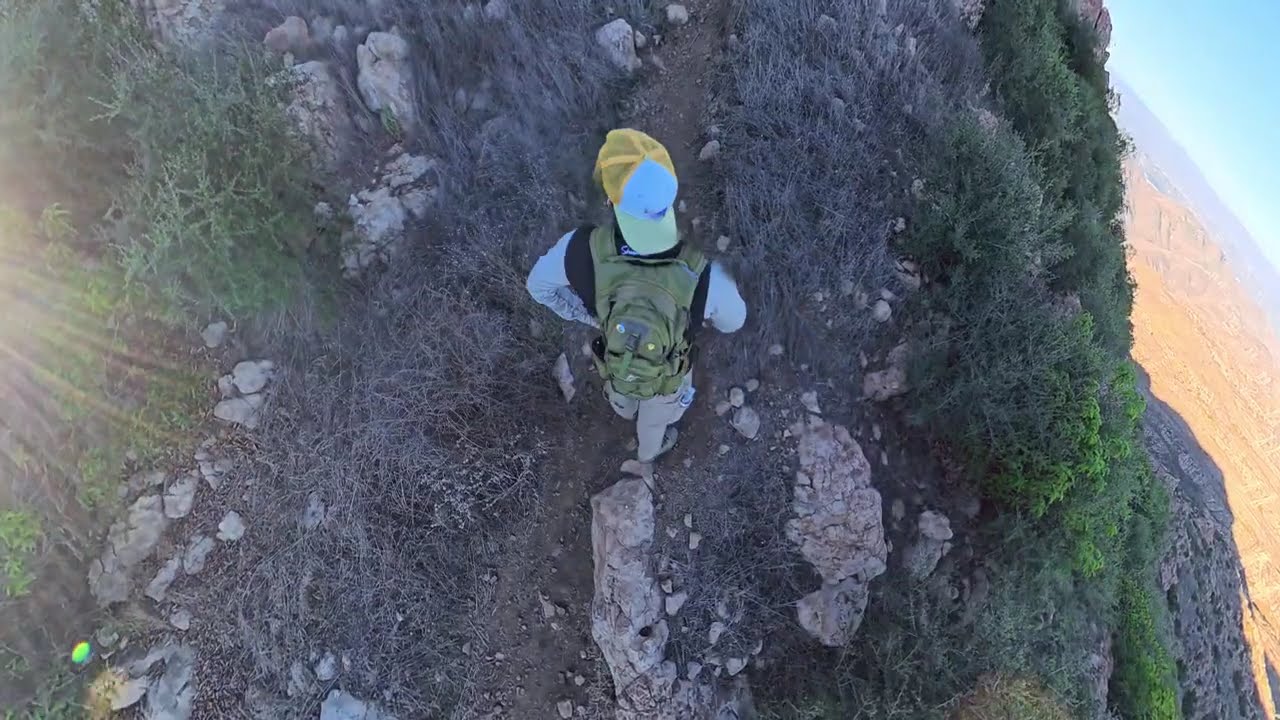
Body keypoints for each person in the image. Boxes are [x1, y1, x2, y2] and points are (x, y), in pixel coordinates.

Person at [527, 128, 747, 465]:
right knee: (657, 415)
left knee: (622, 383)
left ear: (611, 200)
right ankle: (648, 450)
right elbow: (735, 321)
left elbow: (537, 286)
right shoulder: (705, 271)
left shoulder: (578, 249)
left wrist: (589, 316)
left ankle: (624, 410)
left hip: (619, 354)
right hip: (666, 369)